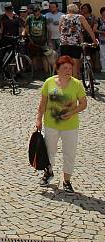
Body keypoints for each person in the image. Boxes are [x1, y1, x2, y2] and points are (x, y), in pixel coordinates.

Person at [35, 55, 87, 192]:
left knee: (69, 153)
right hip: (51, 124)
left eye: (70, 68)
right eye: (65, 68)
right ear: (57, 69)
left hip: (70, 126)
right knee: (49, 151)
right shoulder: (49, 82)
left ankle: (67, 180)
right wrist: (38, 119)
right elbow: (43, 103)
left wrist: (72, 112)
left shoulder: (77, 84)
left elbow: (83, 104)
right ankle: (48, 173)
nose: (69, 71)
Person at [58, 3, 99, 78]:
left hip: (64, 44)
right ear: (76, 10)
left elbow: (59, 29)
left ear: (68, 10)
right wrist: (94, 41)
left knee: (66, 65)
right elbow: (89, 30)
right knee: (74, 67)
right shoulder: (80, 17)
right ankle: (75, 86)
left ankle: (66, 84)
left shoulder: (62, 17)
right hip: (75, 44)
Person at [24, 5, 51, 76]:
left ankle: (46, 72)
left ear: (39, 11)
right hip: (33, 40)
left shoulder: (44, 17)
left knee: (44, 56)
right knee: (33, 57)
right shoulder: (29, 18)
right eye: (34, 11)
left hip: (42, 40)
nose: (35, 12)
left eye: (37, 11)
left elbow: (48, 29)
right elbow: (26, 28)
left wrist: (49, 39)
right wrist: (29, 38)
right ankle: (35, 72)